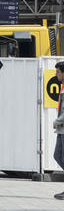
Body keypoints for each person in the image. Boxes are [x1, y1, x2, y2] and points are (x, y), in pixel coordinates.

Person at [54, 61, 64, 200]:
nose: (56, 74)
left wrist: (56, 121)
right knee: (58, 156)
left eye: (58, 72)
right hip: (61, 130)